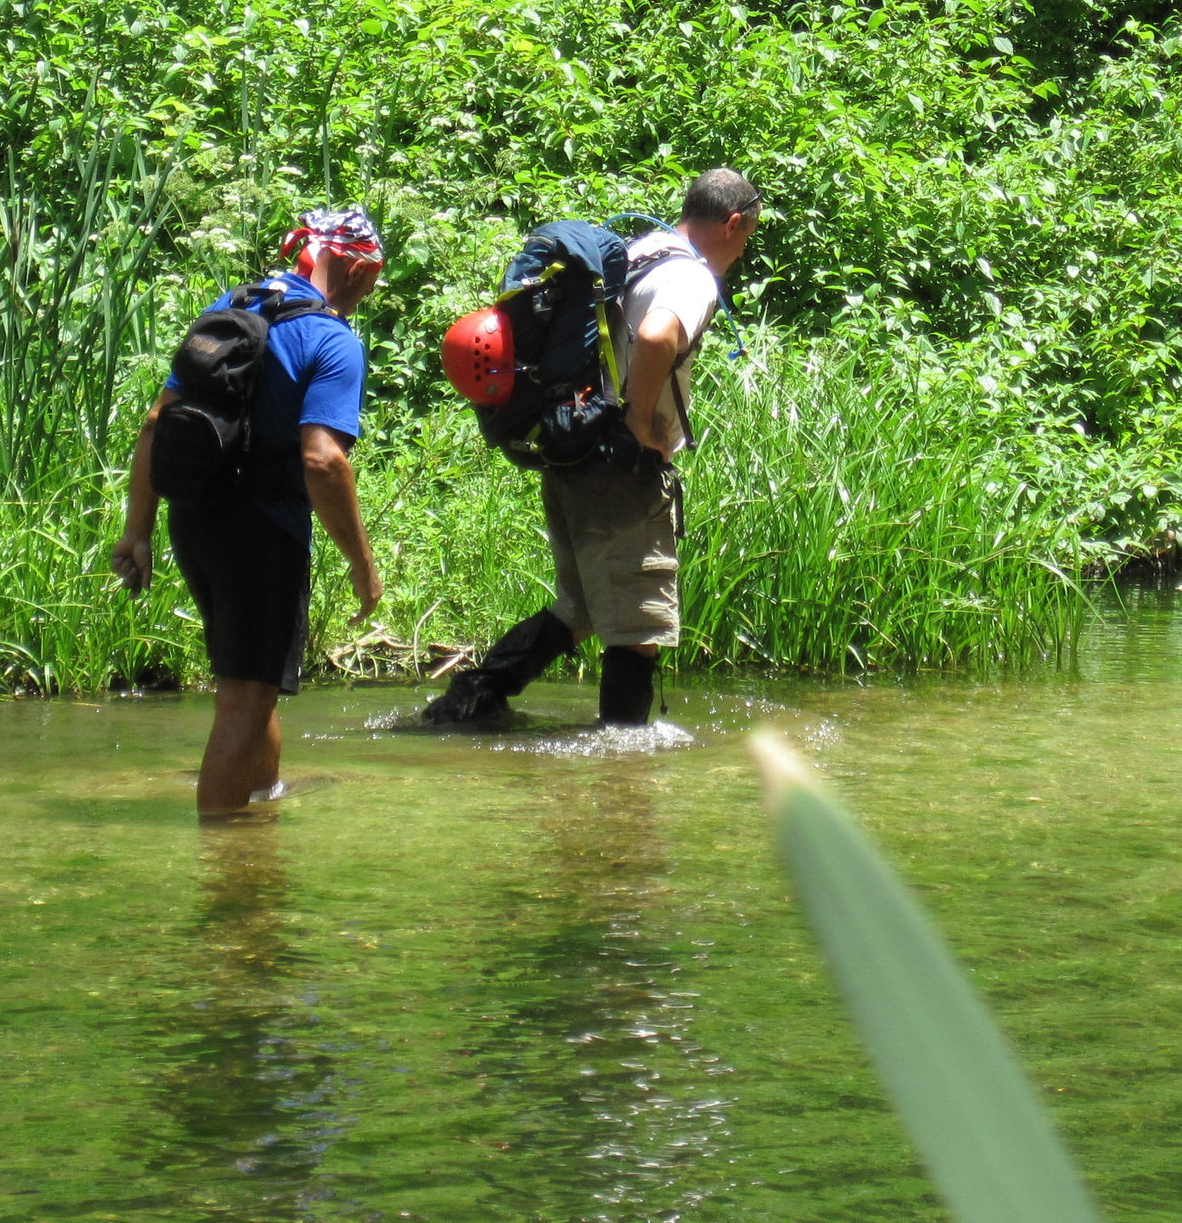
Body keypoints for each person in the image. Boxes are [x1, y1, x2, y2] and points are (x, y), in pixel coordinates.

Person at [425, 169, 761, 727]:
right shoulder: (690, 278)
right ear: (732, 223)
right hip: (620, 470)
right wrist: (640, 423)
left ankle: (470, 700)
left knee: (579, 609)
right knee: (639, 630)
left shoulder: (639, 251)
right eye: (748, 235)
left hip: (574, 452)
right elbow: (655, 336)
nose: (744, 248)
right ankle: (623, 767)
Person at [113, 206, 388, 814]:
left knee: (249, 691)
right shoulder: (332, 340)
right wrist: (361, 561)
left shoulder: (232, 308)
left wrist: (138, 531)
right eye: (373, 276)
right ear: (360, 269)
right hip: (263, 533)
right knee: (244, 699)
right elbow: (322, 461)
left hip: (196, 520)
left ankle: (259, 814)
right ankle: (226, 865)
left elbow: (158, 421)